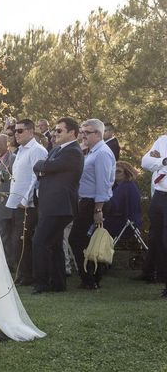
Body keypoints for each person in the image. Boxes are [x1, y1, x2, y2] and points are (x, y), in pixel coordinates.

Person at [31, 117, 84, 294]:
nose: (55, 133)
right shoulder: (57, 150)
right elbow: (44, 168)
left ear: (72, 133)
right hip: (51, 205)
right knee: (53, 245)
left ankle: (42, 283)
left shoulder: (73, 152)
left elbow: (43, 166)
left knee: (40, 242)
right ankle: (58, 284)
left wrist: (43, 167)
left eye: (59, 130)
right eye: (55, 130)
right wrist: (44, 167)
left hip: (60, 206)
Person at [68, 118, 116, 290]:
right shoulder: (92, 151)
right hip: (88, 202)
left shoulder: (102, 153)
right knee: (85, 241)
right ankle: (91, 277)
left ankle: (90, 278)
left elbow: (103, 184)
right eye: (81, 132)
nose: (82, 136)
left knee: (77, 239)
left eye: (86, 132)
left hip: (94, 203)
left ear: (98, 133)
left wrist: (98, 209)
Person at [6, 119, 48, 286]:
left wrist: (26, 199)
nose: (16, 134)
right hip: (16, 201)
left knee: (23, 240)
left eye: (20, 131)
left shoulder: (37, 150)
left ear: (31, 132)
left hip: (28, 204)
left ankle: (28, 275)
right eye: (15, 131)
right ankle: (22, 273)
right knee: (17, 240)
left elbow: (35, 178)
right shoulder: (21, 150)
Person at [141, 133, 167, 298]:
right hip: (159, 195)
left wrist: (159, 165)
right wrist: (163, 161)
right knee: (157, 239)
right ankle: (163, 280)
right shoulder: (163, 140)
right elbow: (145, 162)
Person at [0, 134, 16, 269]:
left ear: (7, 144)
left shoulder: (12, 159)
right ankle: (2, 261)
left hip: (6, 202)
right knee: (1, 232)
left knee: (6, 233)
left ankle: (9, 263)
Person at [104, 160, 142, 240]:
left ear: (127, 173)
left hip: (122, 225)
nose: (114, 174)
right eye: (113, 171)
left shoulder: (125, 187)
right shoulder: (129, 185)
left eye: (118, 171)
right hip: (132, 224)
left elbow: (112, 206)